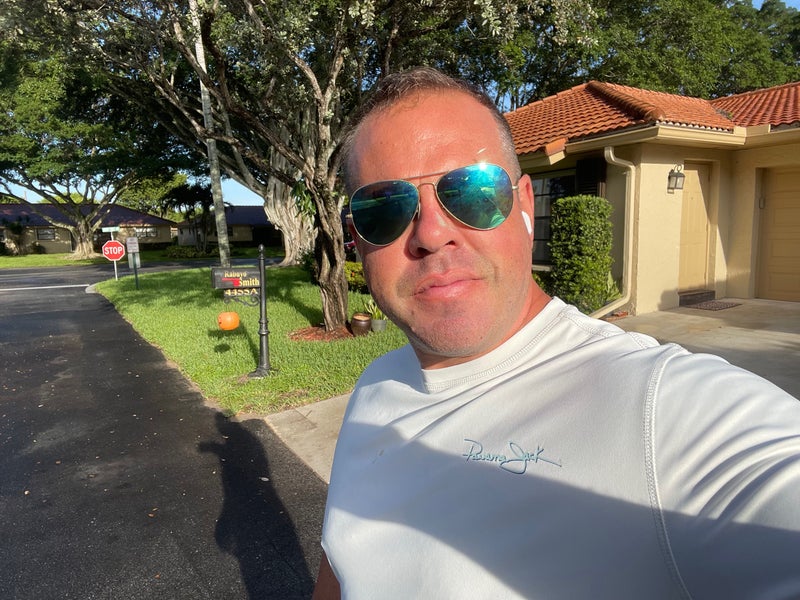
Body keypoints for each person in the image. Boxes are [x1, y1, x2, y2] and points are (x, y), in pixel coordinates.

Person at [312, 67, 800, 599]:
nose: (430, 233)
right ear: (357, 238)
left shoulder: (661, 408)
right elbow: (343, 557)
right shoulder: (375, 387)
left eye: (471, 192)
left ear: (525, 205)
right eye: (385, 207)